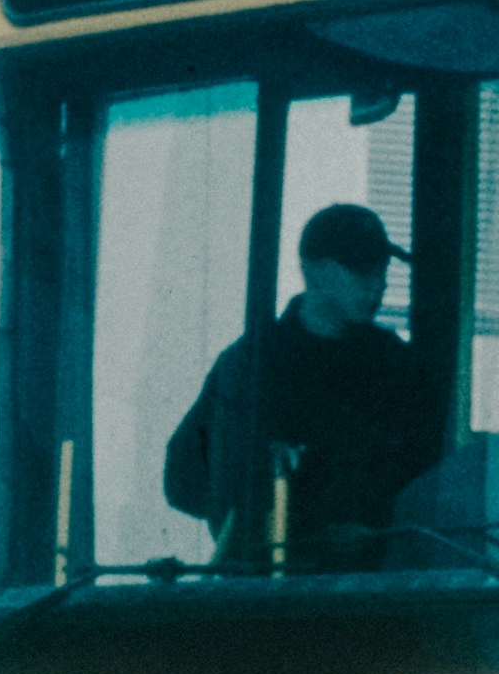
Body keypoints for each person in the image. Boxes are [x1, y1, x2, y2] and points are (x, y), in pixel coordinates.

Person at [160, 201, 447, 569]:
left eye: (382, 269)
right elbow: (183, 477)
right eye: (362, 271)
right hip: (274, 595)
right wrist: (275, 514)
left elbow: (427, 473)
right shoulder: (251, 365)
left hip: (376, 592)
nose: (378, 284)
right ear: (316, 271)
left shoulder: (396, 364)